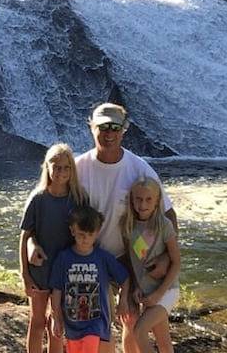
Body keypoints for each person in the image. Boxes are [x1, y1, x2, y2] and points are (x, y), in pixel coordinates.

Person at [33, 102, 177, 353]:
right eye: (102, 127)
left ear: (124, 130)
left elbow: (168, 214)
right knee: (76, 323)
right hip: (86, 258)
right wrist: (31, 242)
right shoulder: (78, 168)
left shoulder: (139, 168)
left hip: (126, 261)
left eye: (114, 127)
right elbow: (45, 200)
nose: (108, 133)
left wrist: (165, 256)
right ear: (92, 128)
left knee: (130, 321)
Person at [20, 143, 88, 353]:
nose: (61, 172)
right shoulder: (38, 198)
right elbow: (25, 236)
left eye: (66, 167)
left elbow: (87, 235)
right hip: (40, 270)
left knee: (57, 323)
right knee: (38, 321)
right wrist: (25, 274)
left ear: (72, 170)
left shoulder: (78, 199)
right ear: (47, 168)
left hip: (66, 272)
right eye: (56, 167)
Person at [50, 205, 131, 353]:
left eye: (90, 234)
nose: (85, 239)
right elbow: (56, 290)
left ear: (97, 232)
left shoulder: (103, 257)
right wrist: (55, 316)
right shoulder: (63, 258)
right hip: (72, 324)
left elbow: (124, 278)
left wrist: (123, 300)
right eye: (81, 234)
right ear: (72, 230)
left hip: (96, 323)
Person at [122, 177, 180, 353]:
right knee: (163, 342)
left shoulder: (164, 225)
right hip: (146, 292)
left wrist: (158, 294)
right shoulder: (127, 226)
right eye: (138, 199)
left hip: (166, 291)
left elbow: (176, 262)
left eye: (148, 199)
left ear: (156, 202)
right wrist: (136, 287)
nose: (143, 204)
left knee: (139, 330)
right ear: (132, 200)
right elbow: (132, 262)